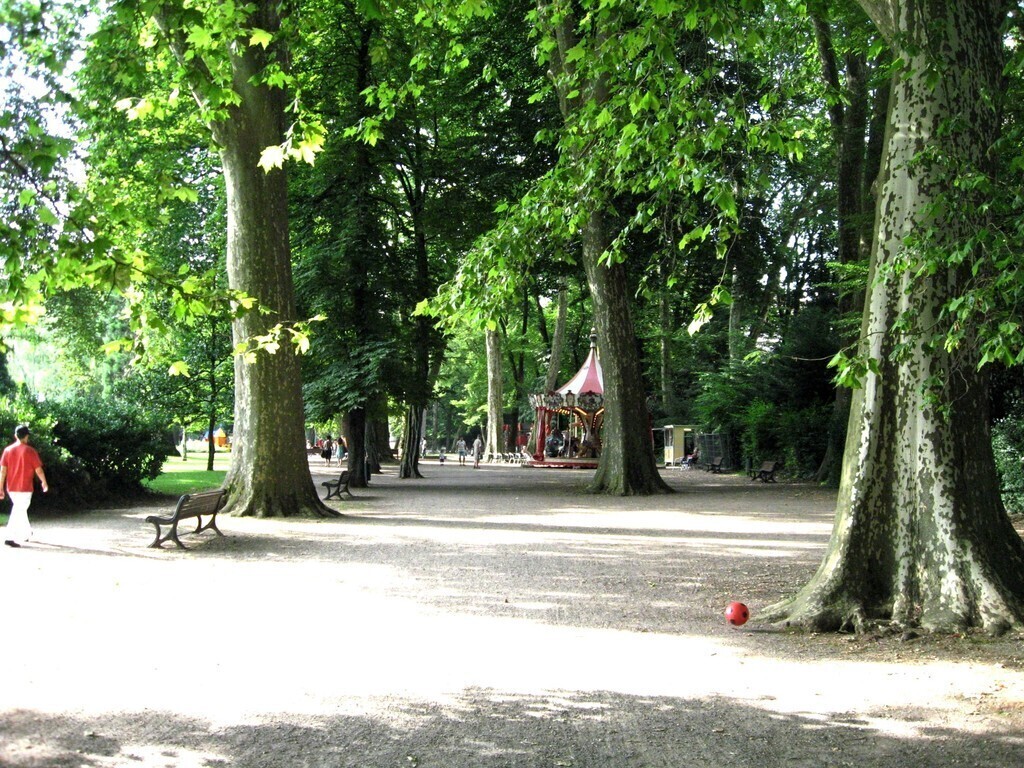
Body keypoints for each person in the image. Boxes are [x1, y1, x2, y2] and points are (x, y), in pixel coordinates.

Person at [1, 425, 49, 548]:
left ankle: (26, 532)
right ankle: (9, 537)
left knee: (20, 509)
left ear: (15, 436)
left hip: (11, 487)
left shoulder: (7, 450)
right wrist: (44, 481)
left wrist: (1, 487)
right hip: (25, 487)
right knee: (19, 510)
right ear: (26, 436)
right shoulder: (30, 451)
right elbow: (38, 470)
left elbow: (3, 471)